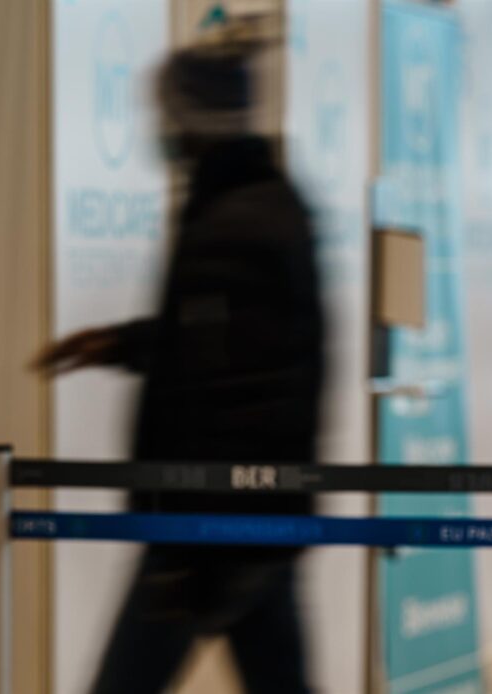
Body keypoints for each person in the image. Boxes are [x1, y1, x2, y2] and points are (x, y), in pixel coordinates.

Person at [33, 31, 322, 694]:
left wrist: (198, 532)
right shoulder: (256, 203)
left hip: (208, 524)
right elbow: (218, 347)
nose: (160, 130)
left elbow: (238, 387)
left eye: (167, 115)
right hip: (247, 517)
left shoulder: (234, 220)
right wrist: (122, 344)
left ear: (194, 119)